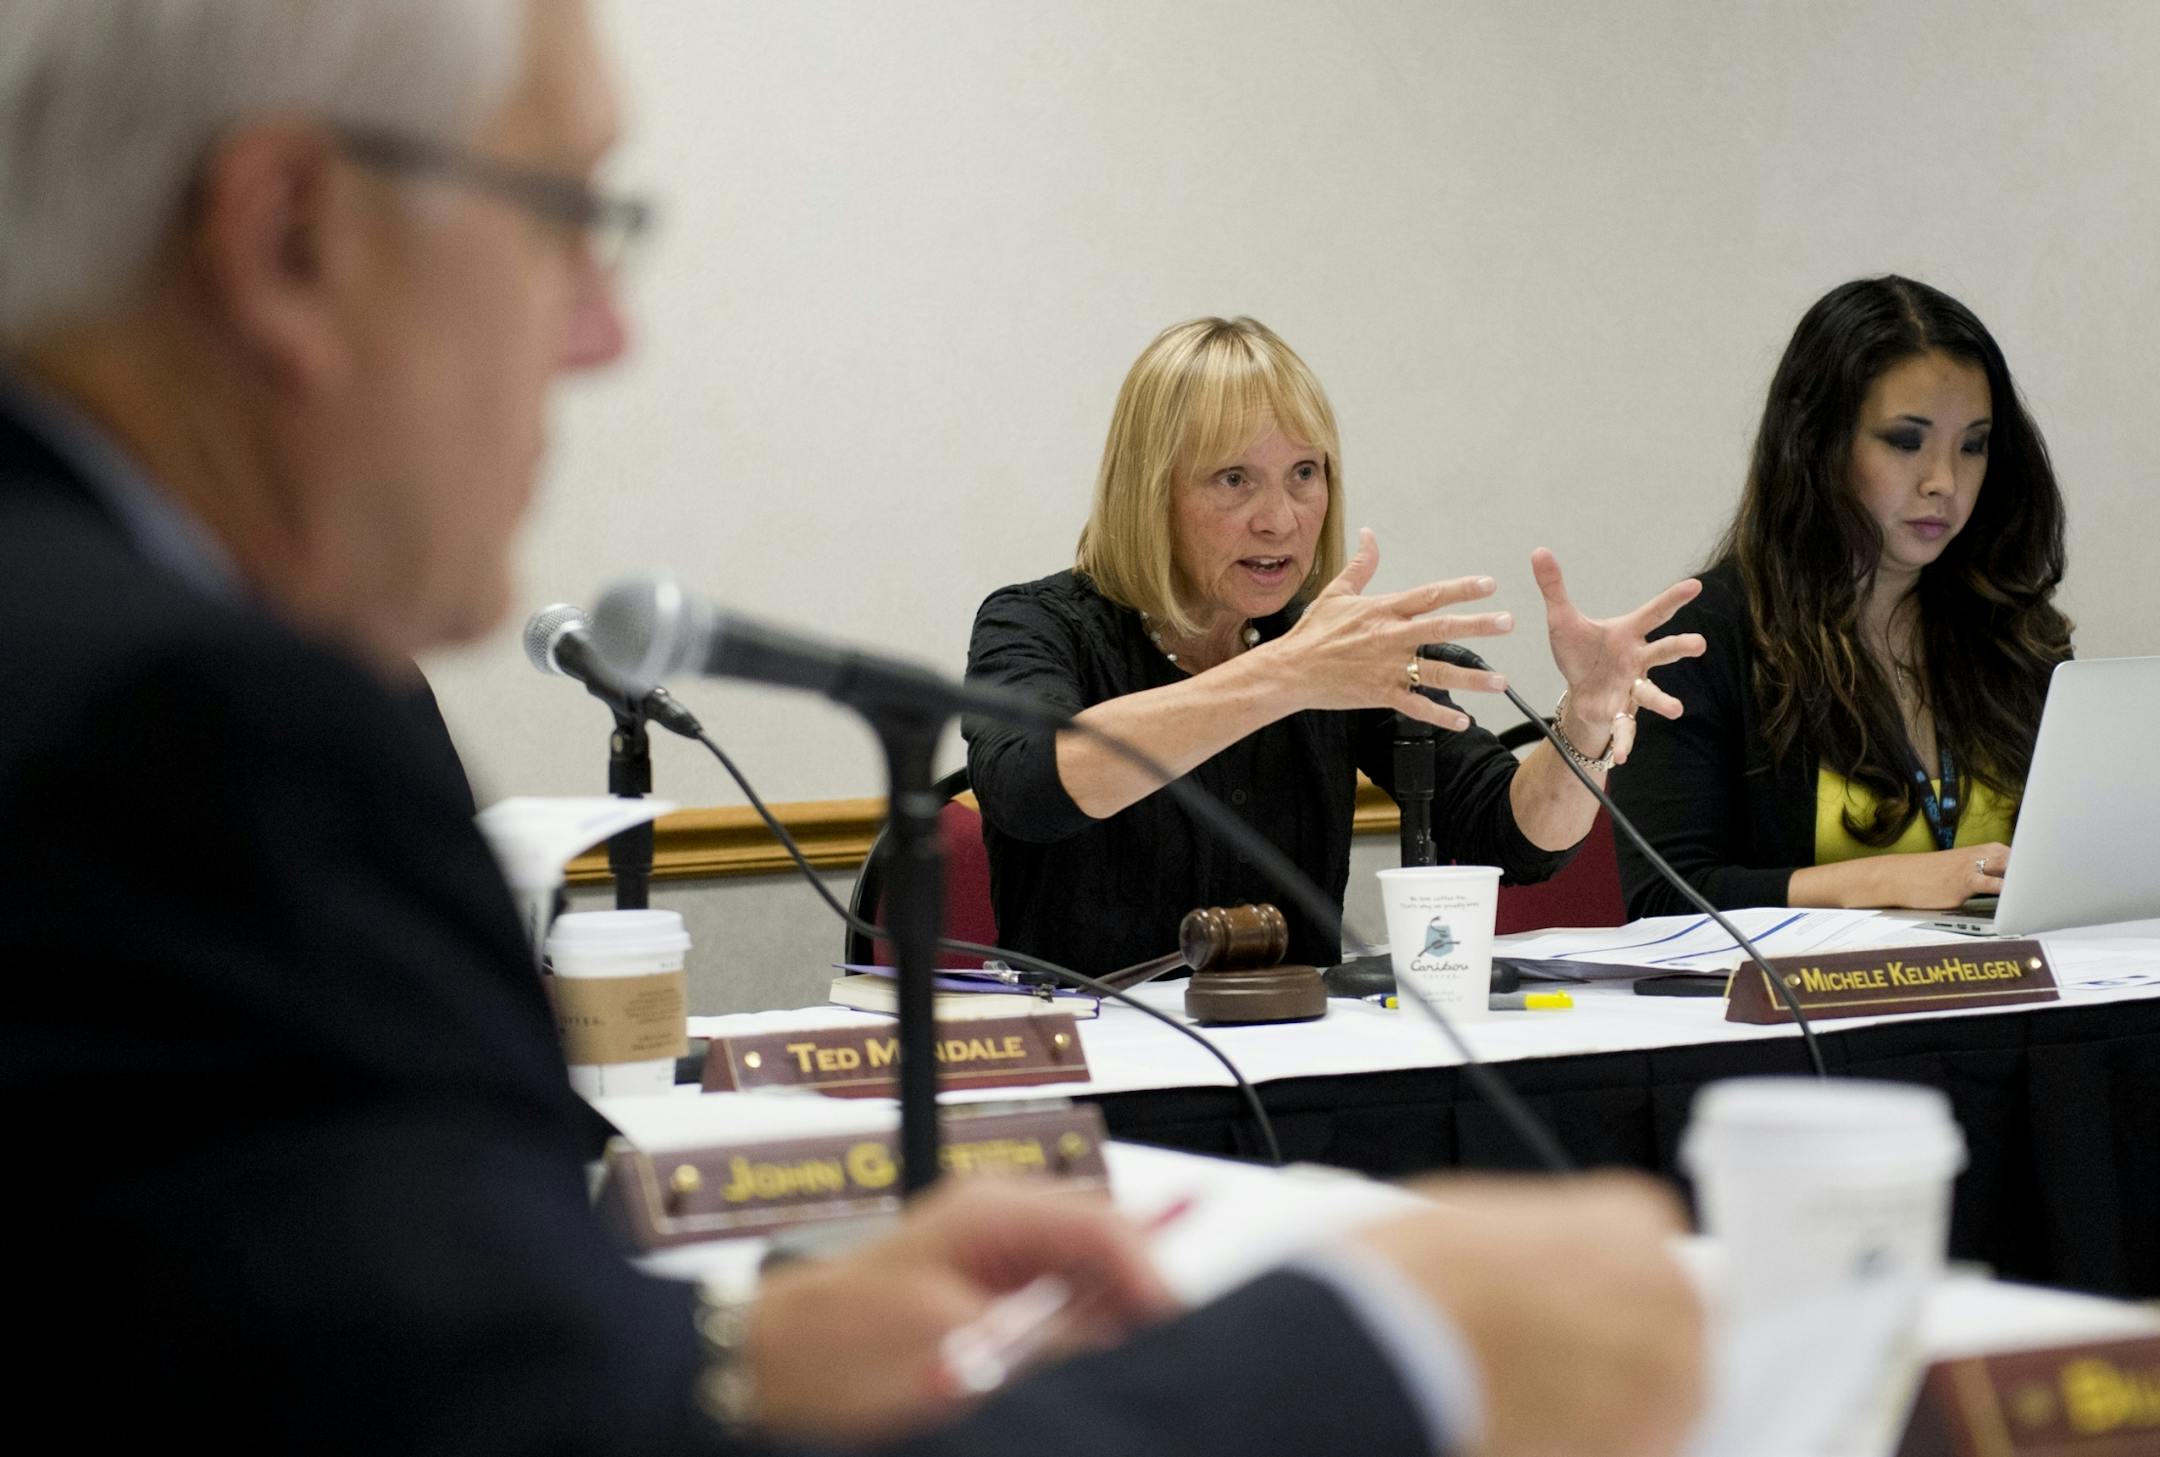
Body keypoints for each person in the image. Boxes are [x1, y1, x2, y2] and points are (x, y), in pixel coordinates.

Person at [0, 4, 1702, 1454]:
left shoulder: (199, 662)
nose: (605, 329)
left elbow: (388, 1358)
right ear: (292, 237)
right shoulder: (173, 733)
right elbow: (1031, 791)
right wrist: (1375, 1341)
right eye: (561, 217)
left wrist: (742, 1352)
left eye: (1303, 475)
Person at [964, 316, 1707, 976]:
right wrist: (1285, 675)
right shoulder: (1035, 624)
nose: (1281, 519)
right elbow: (1031, 789)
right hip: (1095, 1071)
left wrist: (1584, 720)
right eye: (1234, 479)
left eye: (1304, 474)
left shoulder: (1329, 645)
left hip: (1301, 1068)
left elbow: (1513, 837)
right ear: (1149, 491)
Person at [1611, 276, 2073, 917]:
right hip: (1805, 1010)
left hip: (2008, 994)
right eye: (1905, 442)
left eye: (1973, 445)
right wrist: (1889, 883)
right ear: (1817, 445)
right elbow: (1664, 898)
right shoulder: (1701, 638)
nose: (1944, 482)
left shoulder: (2017, 631)